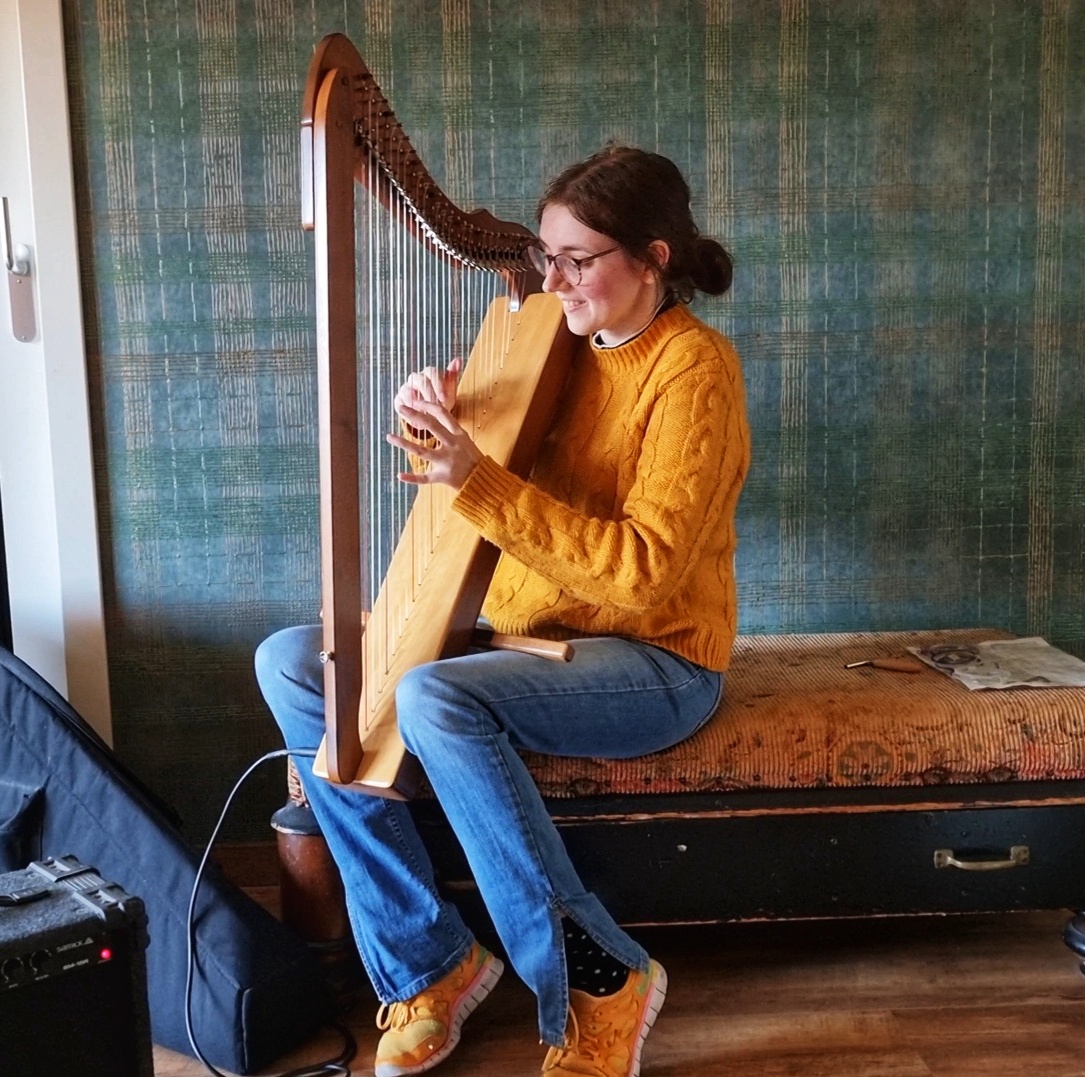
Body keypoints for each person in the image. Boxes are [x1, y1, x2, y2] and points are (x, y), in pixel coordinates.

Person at [255, 144, 750, 1077]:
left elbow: (641, 572)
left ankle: (600, 976)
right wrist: (436, 420)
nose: (553, 279)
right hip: (531, 639)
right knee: (291, 658)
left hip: (653, 658)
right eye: (546, 258)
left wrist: (475, 477)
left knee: (438, 698)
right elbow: (482, 487)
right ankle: (431, 960)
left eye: (578, 259)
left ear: (651, 257)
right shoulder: (549, 343)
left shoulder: (695, 371)